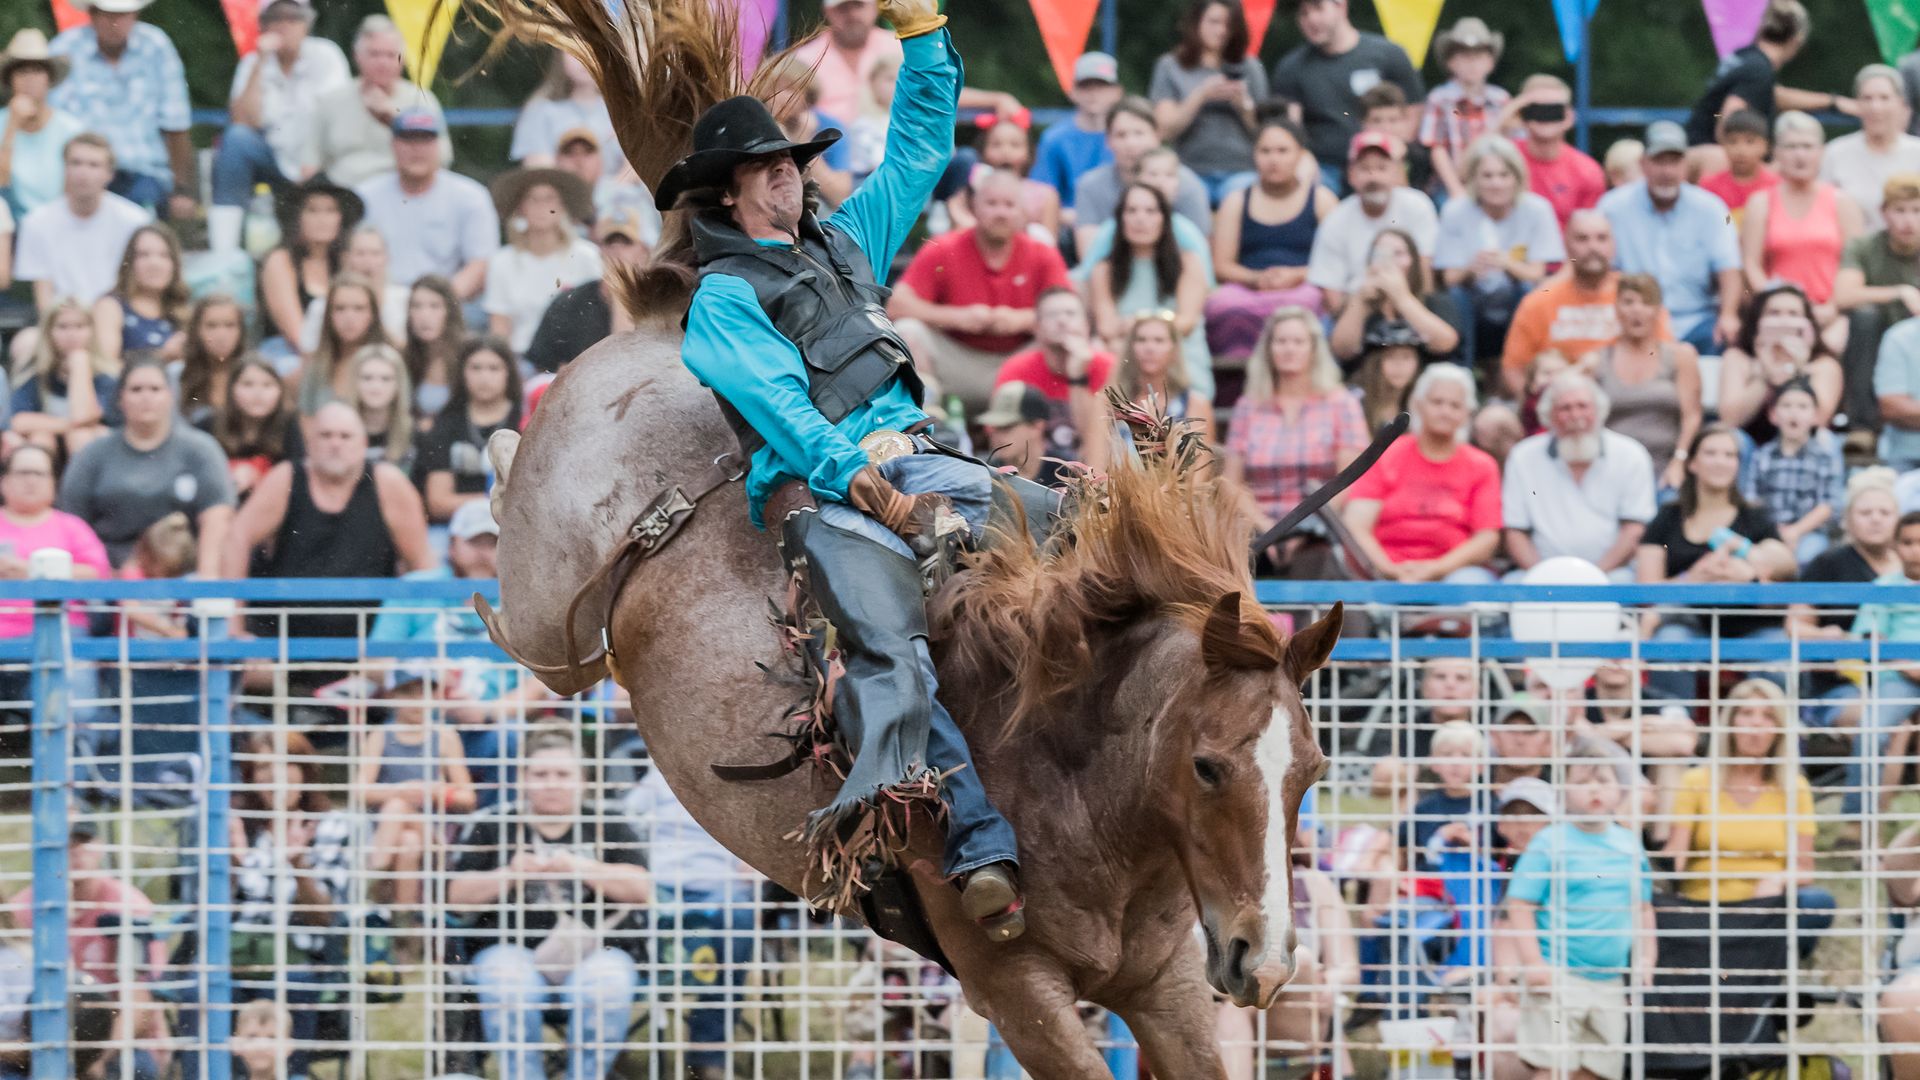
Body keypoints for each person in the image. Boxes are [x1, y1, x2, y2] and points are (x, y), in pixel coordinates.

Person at [660, 0, 1028, 937]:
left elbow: (917, 152)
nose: (791, 172)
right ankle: (975, 842)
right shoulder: (725, 300)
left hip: (929, 460)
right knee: (887, 652)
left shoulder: (844, 240)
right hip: (829, 496)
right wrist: (881, 495)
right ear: (734, 194)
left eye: (792, 161)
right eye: (771, 167)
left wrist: (924, 37)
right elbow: (787, 417)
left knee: (1072, 530)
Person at [447, 730, 648, 1080]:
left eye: (562, 774)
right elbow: (454, 895)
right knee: (508, 984)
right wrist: (509, 874)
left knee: (608, 985)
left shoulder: (610, 822)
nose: (551, 784)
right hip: (509, 951)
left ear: (582, 780)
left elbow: (642, 889)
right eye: (540, 775)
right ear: (522, 779)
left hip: (599, 952)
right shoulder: (493, 824)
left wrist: (582, 867)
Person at [1502, 745, 1657, 1080]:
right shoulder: (1549, 842)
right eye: (1583, 781)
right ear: (1563, 791)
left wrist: (1646, 959)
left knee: (1598, 1069)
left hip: (1610, 980)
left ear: (1621, 790)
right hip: (1558, 974)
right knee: (1553, 1067)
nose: (1594, 789)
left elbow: (1642, 908)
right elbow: (1520, 905)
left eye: (1603, 780)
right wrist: (1533, 963)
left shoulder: (1629, 845)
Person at [368, 499, 533, 808]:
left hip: (489, 728)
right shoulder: (417, 588)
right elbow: (373, 662)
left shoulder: (526, 597)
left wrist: (489, 711)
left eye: (492, 543)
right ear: (453, 545)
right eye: (474, 542)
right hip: (419, 722)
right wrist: (424, 675)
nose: (483, 553)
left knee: (509, 743)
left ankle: (488, 837)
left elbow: (543, 680)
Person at [1661, 679, 1833, 960]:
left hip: (1766, 908)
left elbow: (1805, 868)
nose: (1756, 725)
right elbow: (1675, 855)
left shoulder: (1794, 787)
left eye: (1767, 716)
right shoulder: (1696, 781)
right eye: (1747, 714)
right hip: (1706, 903)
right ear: (1730, 722)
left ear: (1778, 729)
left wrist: (1777, 879)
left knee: (1817, 903)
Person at [222, 402, 433, 620]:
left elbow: (423, 567)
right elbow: (237, 538)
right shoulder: (285, 478)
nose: (335, 444)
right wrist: (234, 627)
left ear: (363, 444)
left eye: (345, 436)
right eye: (326, 435)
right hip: (284, 635)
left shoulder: (389, 484)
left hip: (371, 641)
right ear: (310, 443)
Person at [891, 167, 1071, 412]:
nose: (1001, 213)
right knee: (907, 331)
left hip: (1023, 365)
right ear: (974, 206)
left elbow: (1072, 314)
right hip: (958, 363)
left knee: (1067, 338)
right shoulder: (944, 248)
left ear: (1024, 212)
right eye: (992, 203)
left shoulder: (1042, 254)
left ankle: (1056, 427)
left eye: (1009, 205)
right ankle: (927, 420)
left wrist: (1022, 320)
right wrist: (957, 317)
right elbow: (896, 305)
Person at [1637, 424, 1794, 697]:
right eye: (1711, 453)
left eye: (1729, 455)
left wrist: (1745, 574)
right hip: (1686, 623)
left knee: (1775, 654)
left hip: (1750, 626)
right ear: (1693, 463)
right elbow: (1646, 589)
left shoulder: (1755, 518)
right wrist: (1693, 579)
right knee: (1670, 643)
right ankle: (1674, 726)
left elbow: (1786, 577)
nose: (1721, 462)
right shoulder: (1667, 518)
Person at [59, 357, 233, 573]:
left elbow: (216, 516)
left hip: (181, 577)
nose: (146, 397)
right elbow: (72, 523)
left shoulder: (202, 450)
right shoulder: (92, 454)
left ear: (170, 396)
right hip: (108, 579)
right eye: (136, 389)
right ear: (120, 398)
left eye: (155, 389)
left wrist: (207, 589)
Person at [208, 0, 350, 253]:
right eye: (276, 18)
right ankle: (224, 252)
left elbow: (335, 117)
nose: (284, 25)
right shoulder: (253, 63)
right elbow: (241, 121)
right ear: (263, 26)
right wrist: (261, 62)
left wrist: (313, 158)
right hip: (274, 160)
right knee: (235, 141)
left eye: (293, 17)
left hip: (320, 161)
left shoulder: (327, 56)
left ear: (307, 23)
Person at [1341, 363, 1500, 583]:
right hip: (1384, 572)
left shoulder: (1482, 465)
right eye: (1437, 402)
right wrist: (1388, 569)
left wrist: (1436, 569)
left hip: (1454, 573)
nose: (1445, 411)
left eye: (1455, 405)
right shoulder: (1387, 454)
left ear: (1467, 414)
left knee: (1472, 582)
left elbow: (1487, 538)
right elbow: (1356, 525)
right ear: (1418, 405)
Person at [1224, 306, 1368, 547]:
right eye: (1281, 341)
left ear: (1314, 349)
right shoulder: (1248, 406)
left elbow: (1351, 482)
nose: (1289, 349)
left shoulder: (1342, 403)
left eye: (1298, 342)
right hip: (1256, 530)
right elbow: (1231, 483)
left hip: (1322, 529)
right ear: (1268, 349)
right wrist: (1267, 529)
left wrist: (1300, 530)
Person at [1599, 120, 1744, 355]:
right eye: (1659, 162)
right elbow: (1600, 267)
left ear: (1685, 165)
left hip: (1696, 320)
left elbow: (1729, 269)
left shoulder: (1711, 209)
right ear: (1643, 164)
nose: (1667, 171)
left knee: (1724, 339)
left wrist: (1728, 315)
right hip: (1631, 319)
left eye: (1674, 162)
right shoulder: (1612, 207)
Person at [1503, 371, 1657, 582]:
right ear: (1549, 416)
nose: (1575, 416)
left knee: (1627, 582)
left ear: (1599, 411)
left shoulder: (1631, 454)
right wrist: (1545, 579)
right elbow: (1515, 532)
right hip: (1541, 574)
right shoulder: (1523, 457)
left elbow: (1634, 529)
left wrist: (1590, 578)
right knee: (1511, 585)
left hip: (1611, 572)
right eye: (1565, 408)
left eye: (1583, 406)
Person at [1205, 116, 1336, 362]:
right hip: (1248, 287)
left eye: (1282, 151)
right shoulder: (1236, 201)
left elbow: (1336, 263)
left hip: (1304, 285)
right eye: (1265, 151)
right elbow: (1222, 265)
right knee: (1221, 304)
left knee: (1307, 302)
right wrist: (1256, 279)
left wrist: (1296, 275)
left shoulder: (1322, 200)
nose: (1273, 159)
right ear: (1254, 155)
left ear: (1300, 155)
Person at [1501, 210, 1669, 398]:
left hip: (1628, 399)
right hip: (1560, 403)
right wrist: (1538, 407)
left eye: (1601, 238)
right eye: (1582, 239)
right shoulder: (1539, 300)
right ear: (1566, 245)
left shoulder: (1638, 295)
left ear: (1614, 245)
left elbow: (1665, 356)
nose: (1593, 247)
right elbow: (1514, 369)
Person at [47, 0, 192, 215]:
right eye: (107, 15)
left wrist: (181, 189)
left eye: (122, 15)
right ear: (92, 15)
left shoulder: (155, 46)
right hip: (83, 172)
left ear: (135, 14)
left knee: (140, 226)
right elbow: (52, 121)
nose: (115, 23)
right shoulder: (64, 49)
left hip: (144, 172)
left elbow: (176, 123)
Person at [1434, 136, 1563, 369]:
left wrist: (1507, 263)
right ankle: (1461, 372)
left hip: (1515, 297)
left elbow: (1538, 274)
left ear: (1517, 177)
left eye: (1504, 175)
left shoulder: (1537, 209)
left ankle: (1521, 370)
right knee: (1454, 296)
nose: (1496, 184)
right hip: (1472, 302)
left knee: (1530, 291)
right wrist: (1471, 269)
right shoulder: (1455, 211)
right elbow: (1449, 278)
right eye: (1488, 176)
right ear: (1474, 180)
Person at [1270, 0, 1422, 190]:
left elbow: (1414, 114)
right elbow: (1291, 130)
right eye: (1303, 14)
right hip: (1325, 169)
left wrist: (1393, 155)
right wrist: (1303, 157)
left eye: (1318, 8)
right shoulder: (1291, 68)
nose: (1311, 19)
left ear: (1341, 6)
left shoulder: (1390, 54)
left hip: (1382, 160)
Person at [357, 675, 476, 913]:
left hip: (434, 836)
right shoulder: (381, 735)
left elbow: (468, 798)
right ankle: (405, 922)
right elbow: (360, 791)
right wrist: (398, 791)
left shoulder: (444, 736)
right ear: (392, 697)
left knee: (396, 808)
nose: (417, 702)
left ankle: (373, 880)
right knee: (408, 841)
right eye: (408, 694)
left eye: (424, 694)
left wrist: (433, 792)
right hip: (394, 834)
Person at [355, 110, 500, 298]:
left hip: (448, 302)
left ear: (439, 145)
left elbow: (480, 264)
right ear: (393, 145)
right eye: (408, 140)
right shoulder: (365, 196)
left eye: (425, 140)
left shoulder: (471, 196)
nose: (417, 149)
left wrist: (436, 304)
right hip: (378, 301)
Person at [1088, 183, 1213, 398]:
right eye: (1132, 211)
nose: (1140, 218)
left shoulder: (1189, 262)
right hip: (1126, 352)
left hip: (1178, 352)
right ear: (1121, 219)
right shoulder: (1103, 270)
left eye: (1150, 211)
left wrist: (1136, 322)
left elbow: (1186, 323)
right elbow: (1107, 327)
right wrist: (1159, 323)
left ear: (1164, 219)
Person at [1682, 0, 1843, 166]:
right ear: (1796, 41)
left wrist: (1833, 101)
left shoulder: (1745, 58)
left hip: (1693, 151)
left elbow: (1773, 94)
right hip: (1711, 161)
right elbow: (1727, 119)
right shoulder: (1759, 72)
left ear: (1761, 30)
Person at [303, 14, 451, 188]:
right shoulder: (331, 101)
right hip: (344, 197)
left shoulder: (421, 99)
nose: (383, 62)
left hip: (401, 193)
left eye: (390, 55)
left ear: (403, 60)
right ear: (357, 56)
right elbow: (309, 165)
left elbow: (443, 159)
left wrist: (395, 121)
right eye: (374, 54)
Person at [1581, 273, 1701, 487]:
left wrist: (1679, 461)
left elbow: (1691, 416)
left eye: (1646, 302)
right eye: (1628, 302)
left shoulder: (1680, 356)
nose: (1637, 310)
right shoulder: (1597, 360)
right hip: (1611, 469)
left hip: (1665, 467)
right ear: (1616, 308)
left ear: (1658, 311)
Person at [1304, 133, 1439, 315]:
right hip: (1357, 306)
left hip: (1410, 303)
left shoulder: (1418, 205)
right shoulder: (1336, 219)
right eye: (1365, 169)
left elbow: (1425, 272)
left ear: (1396, 172)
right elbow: (1332, 294)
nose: (1373, 177)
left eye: (1382, 168)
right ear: (1351, 175)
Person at [1148, 0, 1268, 205]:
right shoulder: (1170, 66)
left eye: (1228, 24)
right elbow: (1164, 129)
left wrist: (1243, 106)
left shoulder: (1250, 67)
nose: (1221, 30)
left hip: (1242, 169)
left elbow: (1266, 133)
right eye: (1214, 22)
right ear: (1196, 22)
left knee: (1238, 198)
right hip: (1189, 169)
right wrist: (1201, 95)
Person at [13, 133, 148, 311]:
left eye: (94, 165)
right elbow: (43, 295)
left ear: (110, 174)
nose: (83, 172)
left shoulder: (135, 220)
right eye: (76, 163)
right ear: (64, 167)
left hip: (119, 319)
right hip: (63, 323)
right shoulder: (36, 222)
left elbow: (140, 286)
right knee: (27, 340)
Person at [1742, 111, 1860, 314]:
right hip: (1776, 310)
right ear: (1777, 152)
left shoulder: (1843, 202)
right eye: (1791, 147)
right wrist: (1778, 306)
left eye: (1807, 146)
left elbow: (1856, 266)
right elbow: (1751, 264)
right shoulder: (1760, 203)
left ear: (1821, 152)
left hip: (1832, 310)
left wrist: (1831, 308)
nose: (1800, 155)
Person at [0, 446, 110, 659]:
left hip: (62, 632)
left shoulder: (72, 527)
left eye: (40, 473)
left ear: (54, 483)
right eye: (23, 472)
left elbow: (98, 573)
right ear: (4, 481)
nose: (31, 481)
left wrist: (32, 570)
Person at [1070, 97, 1214, 257]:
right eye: (1121, 135)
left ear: (1157, 136)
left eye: (1139, 133)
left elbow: (1199, 255)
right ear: (1108, 141)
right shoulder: (1091, 185)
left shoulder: (1186, 184)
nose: (1131, 143)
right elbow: (1089, 254)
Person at [1836, 173, 1920, 436]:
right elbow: (1843, 295)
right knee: (1863, 318)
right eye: (1900, 210)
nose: (1908, 220)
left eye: (1917, 210)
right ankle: (1862, 426)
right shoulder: (1864, 246)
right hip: (1877, 336)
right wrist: (1900, 291)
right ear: (1884, 213)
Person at [991, 288, 1113, 468]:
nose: (1062, 321)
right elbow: (1001, 440)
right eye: (1052, 314)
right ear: (1037, 328)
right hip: (1035, 473)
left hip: (1096, 472)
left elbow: (1098, 442)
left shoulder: (1109, 368)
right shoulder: (1017, 370)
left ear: (1087, 325)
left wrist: (1078, 377)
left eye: (1070, 314)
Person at [482, 167, 601, 351]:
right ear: (521, 207)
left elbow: (598, 315)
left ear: (562, 206)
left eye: (549, 199)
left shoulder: (587, 256)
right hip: (521, 357)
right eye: (533, 199)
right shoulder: (502, 261)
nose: (542, 207)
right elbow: (500, 327)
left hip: (575, 357)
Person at [523, 211, 648, 375]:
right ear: (599, 251)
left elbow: (631, 362)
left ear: (645, 251)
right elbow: (542, 365)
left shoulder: (661, 302)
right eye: (610, 243)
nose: (617, 251)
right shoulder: (570, 302)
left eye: (626, 243)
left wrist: (620, 293)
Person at [413, 337, 522, 523]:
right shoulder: (444, 425)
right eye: (476, 368)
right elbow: (438, 502)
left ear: (508, 373)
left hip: (515, 526)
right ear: (462, 373)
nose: (484, 377)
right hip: (456, 526)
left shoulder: (526, 420)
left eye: (494, 368)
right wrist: (493, 502)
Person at [1718, 283, 1844, 443]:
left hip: (1806, 446)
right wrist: (1766, 374)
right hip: (1749, 446)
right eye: (1774, 313)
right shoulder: (1738, 358)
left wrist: (1797, 370)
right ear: (1757, 319)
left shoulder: (1824, 364)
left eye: (1793, 314)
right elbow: (1730, 420)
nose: (1784, 320)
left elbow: (1818, 419)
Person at [1327, 227, 1461, 366]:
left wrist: (1402, 298)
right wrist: (1360, 303)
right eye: (1380, 253)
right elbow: (1342, 351)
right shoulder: (1356, 303)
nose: (1389, 261)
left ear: (1413, 260)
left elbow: (1446, 343)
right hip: (1368, 381)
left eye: (1398, 253)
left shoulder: (1435, 301)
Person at [1744, 378, 1843, 562]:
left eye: (1802, 406)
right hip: (1768, 533)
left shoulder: (1825, 456)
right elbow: (1752, 500)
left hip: (1809, 533)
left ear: (1815, 416)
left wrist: (1795, 531)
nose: (1794, 413)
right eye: (1787, 405)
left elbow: (1829, 506)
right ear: (1773, 415)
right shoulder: (1762, 455)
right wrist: (1773, 532)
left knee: (1808, 556)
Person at [258, 179, 361, 356]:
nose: (322, 219)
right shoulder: (281, 260)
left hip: (340, 355)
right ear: (297, 217)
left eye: (331, 210)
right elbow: (297, 336)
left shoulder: (347, 261)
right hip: (288, 355)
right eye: (312, 210)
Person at [11, 297, 119, 458]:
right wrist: (69, 425)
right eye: (62, 327)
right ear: (48, 332)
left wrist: (80, 364)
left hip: (93, 452)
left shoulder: (107, 377)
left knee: (81, 435)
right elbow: (19, 421)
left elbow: (83, 415)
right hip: (50, 448)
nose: (71, 334)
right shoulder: (36, 373)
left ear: (92, 331)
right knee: (40, 437)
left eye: (79, 326)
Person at [1419, 18, 1509, 203]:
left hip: (1495, 182)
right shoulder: (1439, 98)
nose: (1472, 64)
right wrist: (1455, 189)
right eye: (1465, 57)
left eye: (1478, 57)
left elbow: (1511, 144)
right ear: (1451, 63)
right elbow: (1437, 149)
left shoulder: (1501, 99)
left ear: (1490, 63)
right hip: (1451, 183)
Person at [0, 28, 86, 220]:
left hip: (56, 220)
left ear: (49, 79)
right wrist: (12, 126)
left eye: (37, 71)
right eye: (22, 72)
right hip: (9, 222)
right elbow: (1, 186)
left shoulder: (71, 129)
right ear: (10, 79)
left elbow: (74, 189)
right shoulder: (2, 122)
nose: (30, 79)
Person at [1821, 64, 1920, 231]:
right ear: (1857, 104)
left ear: (1900, 103)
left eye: (1884, 98)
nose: (1876, 107)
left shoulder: (1916, 152)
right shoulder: (1835, 153)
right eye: (1867, 98)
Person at [1501, 73, 1605, 230]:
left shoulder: (1588, 172)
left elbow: (1587, 238)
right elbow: (1468, 168)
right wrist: (1507, 114)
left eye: (1553, 110)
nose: (1545, 117)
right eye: (1536, 109)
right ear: (1523, 115)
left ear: (1569, 117)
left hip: (1563, 254)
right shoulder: (1503, 158)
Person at [296, 223, 411, 357]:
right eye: (360, 253)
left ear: (387, 258)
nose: (368, 261)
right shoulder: (321, 306)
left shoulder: (405, 300)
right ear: (346, 258)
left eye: (375, 253)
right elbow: (308, 354)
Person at [1031, 52, 1121, 218]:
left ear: (1117, 92)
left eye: (1101, 86)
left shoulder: (1128, 136)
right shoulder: (1054, 139)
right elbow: (1041, 195)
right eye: (1086, 86)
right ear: (1072, 91)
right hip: (1068, 224)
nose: (1094, 93)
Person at [948, 118, 1061, 242]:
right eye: (996, 144)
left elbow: (1049, 242)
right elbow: (957, 229)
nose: (1005, 152)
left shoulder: (1046, 194)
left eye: (1015, 145)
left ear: (1029, 152)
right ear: (983, 150)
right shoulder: (971, 188)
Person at [1113, 309, 1216, 443]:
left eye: (1159, 340)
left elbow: (1200, 463)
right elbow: (1096, 460)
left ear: (1174, 349)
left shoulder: (1195, 404)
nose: (1149, 348)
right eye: (1141, 340)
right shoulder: (1112, 404)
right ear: (1130, 348)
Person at [298, 274, 393, 417]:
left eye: (359, 308)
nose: (349, 317)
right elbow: (305, 417)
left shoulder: (391, 361)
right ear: (329, 315)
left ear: (372, 314)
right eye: (340, 308)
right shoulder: (317, 365)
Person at [93, 222, 187, 362]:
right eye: (144, 255)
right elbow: (106, 367)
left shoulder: (182, 310)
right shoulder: (111, 306)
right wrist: (163, 355)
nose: (154, 263)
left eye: (164, 255)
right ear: (130, 262)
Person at [511, 50, 619, 171]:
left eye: (593, 50)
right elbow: (540, 170)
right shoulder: (539, 111)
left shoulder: (624, 112)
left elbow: (634, 172)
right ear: (560, 57)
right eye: (573, 51)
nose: (585, 58)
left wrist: (611, 188)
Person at [206, 357, 294, 500]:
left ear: (280, 391)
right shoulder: (209, 424)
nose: (258, 393)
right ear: (232, 389)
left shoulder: (291, 428)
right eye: (248, 384)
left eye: (267, 385)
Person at [173, 293, 248, 427]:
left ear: (241, 330)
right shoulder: (177, 375)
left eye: (230, 325)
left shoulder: (253, 374)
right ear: (196, 331)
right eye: (211, 326)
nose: (221, 335)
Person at [401, 275, 467, 420]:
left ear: (450, 311)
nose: (425, 315)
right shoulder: (404, 356)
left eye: (434, 306)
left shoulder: (468, 354)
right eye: (416, 306)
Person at [976, 381, 1067, 486]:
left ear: (1037, 426)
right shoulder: (983, 473)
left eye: (1006, 427)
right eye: (994, 427)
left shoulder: (1066, 474)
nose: (997, 436)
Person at [1697, 108, 1779, 224]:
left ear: (1766, 146)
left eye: (1750, 142)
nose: (1741, 150)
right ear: (1723, 145)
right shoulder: (1708, 187)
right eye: (1732, 141)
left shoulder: (1776, 187)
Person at [342, 344, 415, 470]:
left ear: (398, 384)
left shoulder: (415, 436)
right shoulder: (336, 433)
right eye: (367, 378)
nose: (376, 387)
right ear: (354, 382)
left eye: (386, 379)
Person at [1353, 321, 1420, 432]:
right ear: (1375, 363)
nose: (1399, 365)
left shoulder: (1422, 405)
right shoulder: (1355, 400)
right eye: (1390, 356)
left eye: (1406, 357)